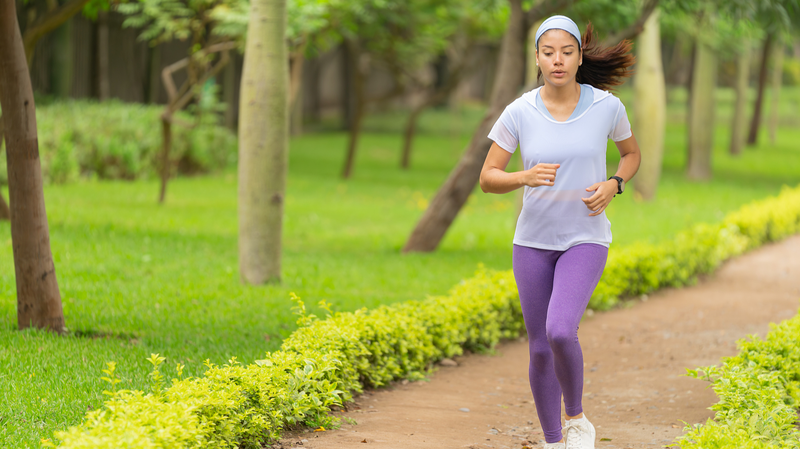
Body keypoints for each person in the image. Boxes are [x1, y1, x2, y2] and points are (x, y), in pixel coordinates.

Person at [479, 15, 641, 449]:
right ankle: (554, 442)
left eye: (567, 52)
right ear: (536, 57)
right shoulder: (520, 111)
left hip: (585, 237)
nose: (558, 60)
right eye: (548, 52)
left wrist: (614, 184)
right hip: (532, 241)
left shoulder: (607, 107)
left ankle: (576, 420)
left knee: (560, 331)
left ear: (579, 57)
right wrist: (524, 177)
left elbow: (630, 154)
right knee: (538, 347)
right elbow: (488, 177)